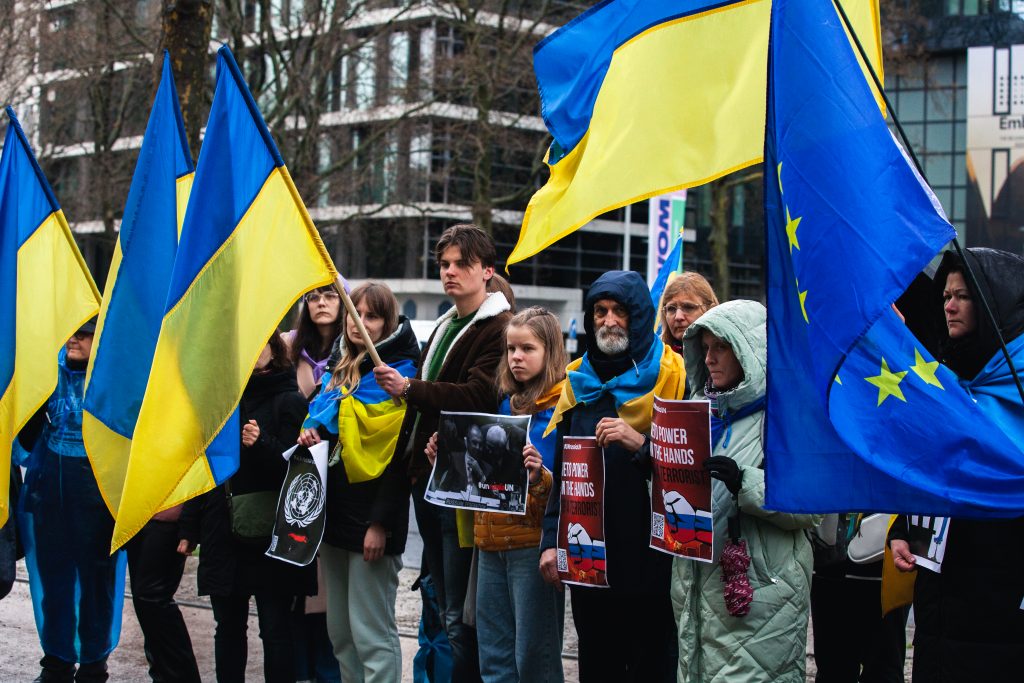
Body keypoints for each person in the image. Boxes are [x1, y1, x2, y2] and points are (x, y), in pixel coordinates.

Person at [375, 224, 513, 682]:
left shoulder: (498, 326)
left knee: (461, 612)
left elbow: (478, 394)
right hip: (428, 478)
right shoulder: (445, 324)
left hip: (464, 486)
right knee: (442, 599)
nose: (450, 272)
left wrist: (411, 387)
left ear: (487, 271)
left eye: (461, 265)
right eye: (444, 265)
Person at [539, 271, 686, 681]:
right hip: (590, 562)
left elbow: (687, 475)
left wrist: (639, 445)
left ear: (638, 317)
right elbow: (564, 472)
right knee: (597, 667)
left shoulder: (672, 378)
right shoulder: (577, 382)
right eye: (600, 311)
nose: (608, 321)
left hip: (650, 563)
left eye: (619, 311)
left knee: (651, 667)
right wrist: (551, 541)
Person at [888, 248, 1024, 682]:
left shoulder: (1017, 386)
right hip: (939, 612)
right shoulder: (945, 382)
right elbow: (927, 473)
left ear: (993, 302)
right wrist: (902, 531)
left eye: (962, 295)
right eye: (946, 295)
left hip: (1002, 617)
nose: (948, 305)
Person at [670, 299, 820, 682]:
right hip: (699, 587)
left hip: (762, 597)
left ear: (749, 350)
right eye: (705, 348)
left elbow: (811, 506)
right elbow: (680, 501)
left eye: (721, 347)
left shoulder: (786, 416)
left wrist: (745, 483)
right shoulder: (696, 411)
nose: (709, 359)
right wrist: (656, 471)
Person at [425, 306, 567, 682]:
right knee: (494, 656)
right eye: (510, 349)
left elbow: (568, 485)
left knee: (534, 657)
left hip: (531, 545)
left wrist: (540, 476)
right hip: (489, 543)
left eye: (527, 349)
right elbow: (477, 480)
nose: (516, 357)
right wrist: (446, 461)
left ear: (550, 352)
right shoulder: (502, 403)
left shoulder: (562, 408)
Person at [297, 281, 419, 682]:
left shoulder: (398, 377)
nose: (359, 323)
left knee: (372, 635)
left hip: (371, 523)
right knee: (342, 635)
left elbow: (398, 462)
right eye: (355, 314)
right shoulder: (339, 370)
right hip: (334, 519)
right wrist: (312, 433)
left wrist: (379, 524)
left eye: (371, 316)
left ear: (387, 323)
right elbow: (328, 432)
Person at [177, 332, 316, 683]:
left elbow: (303, 475)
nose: (253, 351)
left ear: (275, 349)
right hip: (222, 531)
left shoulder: (290, 402)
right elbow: (203, 467)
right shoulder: (221, 401)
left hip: (271, 535)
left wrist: (263, 443)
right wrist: (188, 528)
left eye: (261, 342)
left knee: (275, 628)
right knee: (227, 629)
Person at [16, 320, 128, 683]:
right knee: (54, 583)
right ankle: (57, 661)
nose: (72, 340)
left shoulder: (113, 381)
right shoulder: (48, 376)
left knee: (97, 583)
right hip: (49, 495)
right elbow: (27, 437)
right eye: (70, 332)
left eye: (83, 334)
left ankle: (95, 662)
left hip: (98, 500)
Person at [125, 507, 202, 683]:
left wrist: (189, 525)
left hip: (169, 515)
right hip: (139, 514)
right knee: (145, 604)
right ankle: (163, 676)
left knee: (152, 599)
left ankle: (179, 678)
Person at [286, 285, 344, 398]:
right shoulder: (287, 344)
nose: (321, 303)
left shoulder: (354, 350)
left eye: (330, 296)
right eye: (313, 297)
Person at [659, 272, 718, 353]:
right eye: (671, 309)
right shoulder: (654, 359)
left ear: (711, 310)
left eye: (688, 307)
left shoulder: (730, 357)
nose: (678, 317)